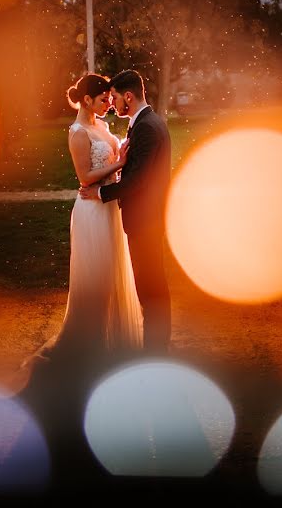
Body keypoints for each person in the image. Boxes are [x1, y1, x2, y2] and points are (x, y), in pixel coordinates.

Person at [25, 73, 143, 368]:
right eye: (103, 100)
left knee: (113, 268)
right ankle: (92, 342)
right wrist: (120, 163)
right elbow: (84, 177)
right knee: (96, 274)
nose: (108, 104)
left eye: (108, 99)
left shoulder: (101, 125)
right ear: (87, 101)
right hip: (91, 210)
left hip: (110, 206)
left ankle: (115, 337)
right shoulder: (78, 132)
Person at [78, 70, 172, 354]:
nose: (112, 103)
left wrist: (101, 193)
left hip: (146, 219)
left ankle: (156, 349)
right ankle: (156, 345)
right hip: (146, 217)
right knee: (151, 283)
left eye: (116, 97)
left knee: (151, 285)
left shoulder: (146, 127)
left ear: (128, 97)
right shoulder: (143, 122)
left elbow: (137, 181)